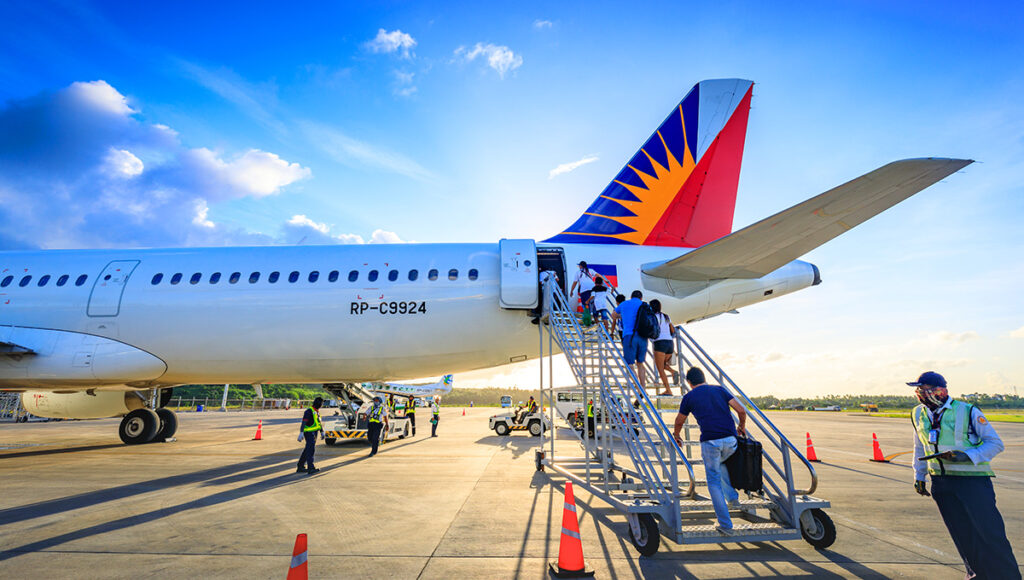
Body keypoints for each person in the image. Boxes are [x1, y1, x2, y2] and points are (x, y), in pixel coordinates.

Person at [908, 371, 1019, 579]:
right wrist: (919, 476)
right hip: (941, 482)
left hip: (972, 482)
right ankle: (977, 575)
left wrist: (967, 456)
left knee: (989, 534)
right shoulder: (917, 413)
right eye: (919, 390)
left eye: (927, 390)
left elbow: (995, 444)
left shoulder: (968, 411)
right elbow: (919, 447)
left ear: (942, 391)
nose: (922, 394)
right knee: (962, 535)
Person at [672, 367, 746, 535]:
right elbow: (741, 410)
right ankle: (733, 499)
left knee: (713, 482)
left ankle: (725, 525)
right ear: (704, 378)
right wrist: (741, 426)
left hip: (711, 442)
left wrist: (676, 435)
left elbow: (679, 421)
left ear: (689, 383)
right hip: (731, 441)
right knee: (721, 465)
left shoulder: (689, 396)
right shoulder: (720, 389)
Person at [611, 290, 648, 389]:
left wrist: (622, 315)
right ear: (641, 298)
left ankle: (638, 387)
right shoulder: (644, 305)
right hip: (643, 337)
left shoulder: (624, 304)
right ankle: (643, 387)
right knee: (640, 363)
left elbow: (613, 315)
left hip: (629, 336)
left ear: (631, 297)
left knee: (630, 364)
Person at [650, 299, 674, 396]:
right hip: (670, 343)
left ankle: (668, 390)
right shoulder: (666, 316)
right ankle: (672, 371)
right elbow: (672, 329)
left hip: (659, 343)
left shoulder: (652, 317)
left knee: (660, 369)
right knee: (663, 364)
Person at [297, 397, 324, 474]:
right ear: (319, 404)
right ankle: (310, 468)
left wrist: (322, 431)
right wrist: (301, 432)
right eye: (321, 403)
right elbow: (304, 422)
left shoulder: (317, 411)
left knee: (307, 449)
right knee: (310, 450)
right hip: (309, 433)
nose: (322, 405)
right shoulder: (309, 411)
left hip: (314, 433)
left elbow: (318, 423)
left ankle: (300, 466)